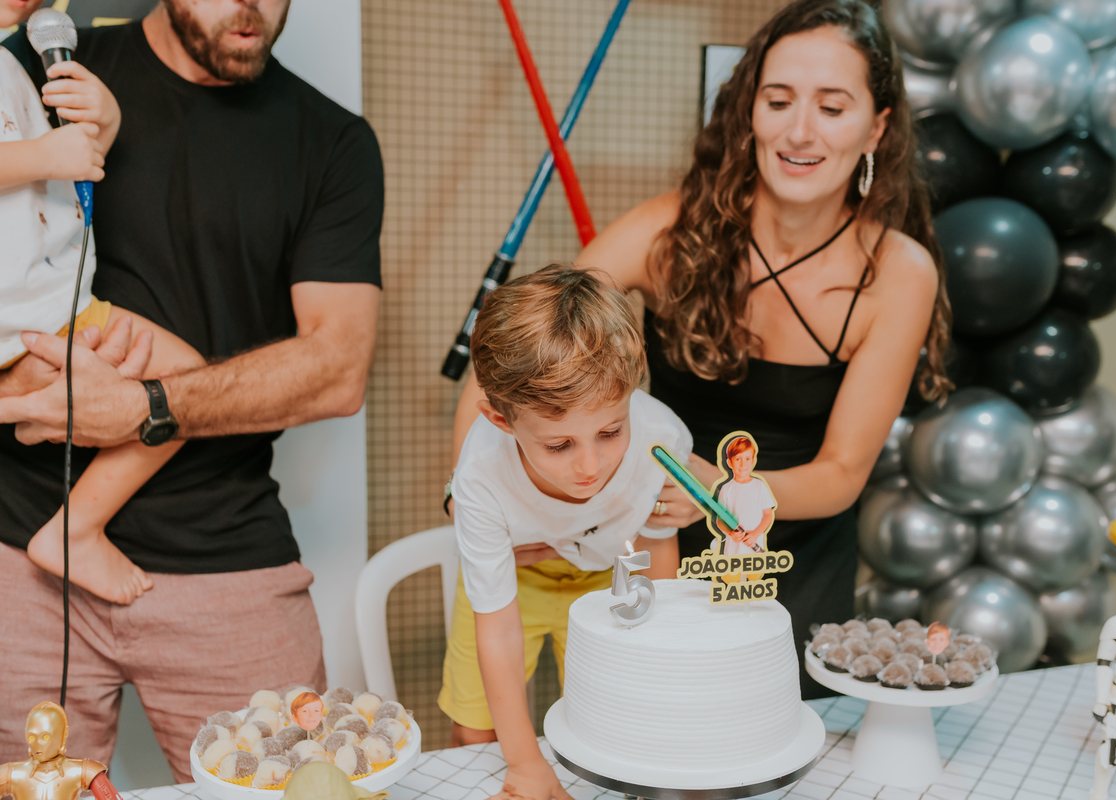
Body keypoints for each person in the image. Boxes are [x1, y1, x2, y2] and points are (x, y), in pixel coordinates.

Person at [452, 0, 948, 699]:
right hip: (651, 554)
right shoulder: (669, 231)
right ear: (750, 113)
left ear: (877, 127)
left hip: (789, 566)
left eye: (832, 107)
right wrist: (468, 497)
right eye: (778, 101)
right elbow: (516, 358)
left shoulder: (900, 273)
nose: (799, 131)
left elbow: (842, 473)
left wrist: (716, 489)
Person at [0, 0, 383, 780]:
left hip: (226, 559)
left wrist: (142, 408)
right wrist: (24, 377)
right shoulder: (45, 72)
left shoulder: (331, 142)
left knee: (302, 788)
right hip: (19, 561)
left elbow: (338, 369)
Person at [444, 265, 690, 800]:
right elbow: (497, 630)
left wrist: (657, 671)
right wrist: (523, 764)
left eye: (611, 431)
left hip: (609, 580)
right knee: (475, 733)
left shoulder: (663, 439)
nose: (590, 466)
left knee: (610, 727)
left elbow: (658, 564)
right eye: (559, 445)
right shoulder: (480, 476)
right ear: (501, 421)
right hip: (514, 582)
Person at [1, 0, 207, 607]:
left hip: (57, 300)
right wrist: (44, 156)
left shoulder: (14, 65)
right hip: (18, 314)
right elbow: (41, 164)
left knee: (185, 383)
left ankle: (74, 529)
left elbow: (58, 180)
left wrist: (104, 127)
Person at [714, 435, 775, 556]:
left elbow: (768, 515)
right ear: (730, 462)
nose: (743, 464)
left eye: (747, 458)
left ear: (753, 461)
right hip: (733, 551)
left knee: (755, 570)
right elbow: (720, 520)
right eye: (738, 459)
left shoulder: (759, 486)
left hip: (755, 549)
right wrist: (731, 533)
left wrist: (755, 534)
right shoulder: (726, 489)